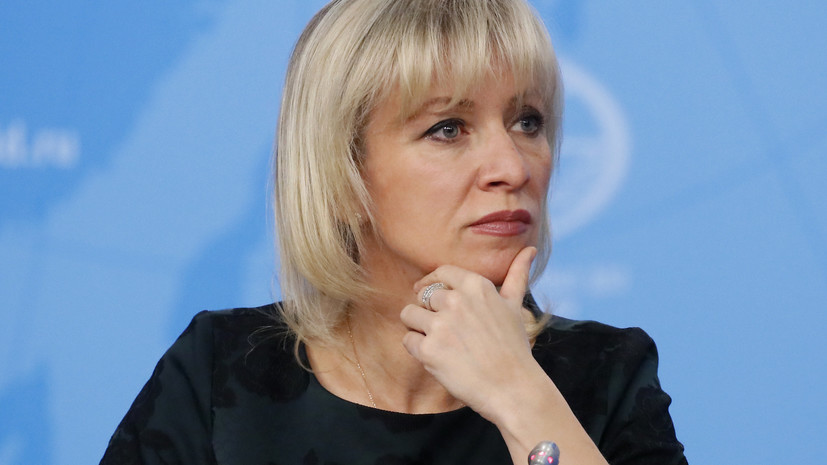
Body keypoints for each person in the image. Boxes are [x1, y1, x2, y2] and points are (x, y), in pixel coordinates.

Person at [101, 0, 687, 464]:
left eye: (527, 121)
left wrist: (521, 398)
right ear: (342, 175)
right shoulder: (220, 372)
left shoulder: (606, 374)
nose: (513, 168)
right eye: (448, 128)